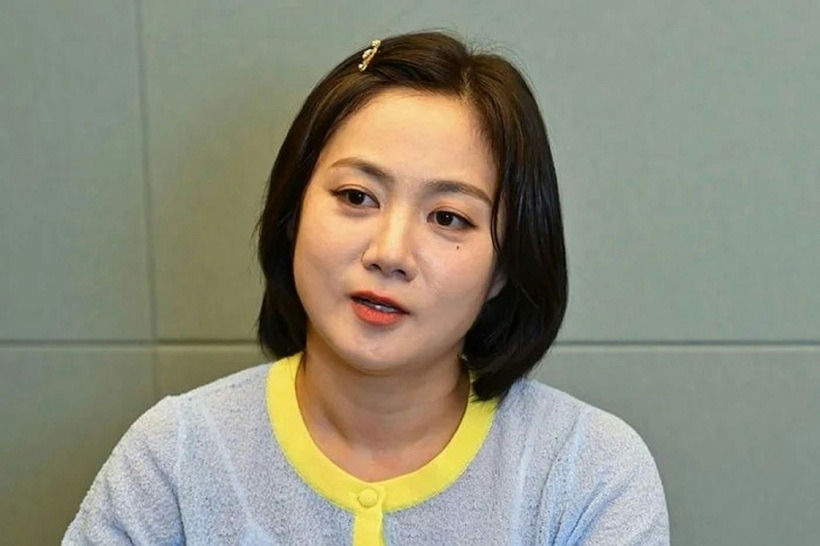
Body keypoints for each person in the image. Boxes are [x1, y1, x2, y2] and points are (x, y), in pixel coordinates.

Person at [64, 31, 669, 545]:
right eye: (357, 197)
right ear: (293, 212)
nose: (389, 254)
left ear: (506, 266)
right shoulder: (174, 458)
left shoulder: (588, 474)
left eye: (448, 217)